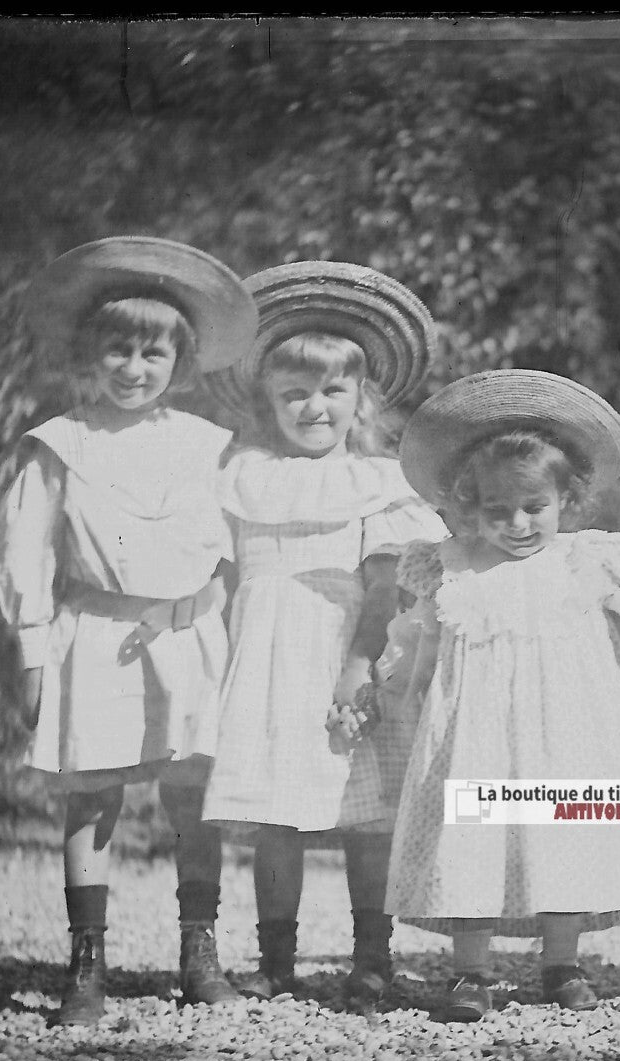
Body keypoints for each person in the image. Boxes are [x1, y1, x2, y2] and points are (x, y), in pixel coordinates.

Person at [383, 370, 620, 1021]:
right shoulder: (452, 565)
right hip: (479, 732)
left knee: (565, 830)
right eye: (497, 511)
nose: (517, 524)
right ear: (468, 505)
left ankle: (562, 961)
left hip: (572, 727)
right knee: (473, 836)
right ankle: (469, 971)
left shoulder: (587, 559)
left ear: (566, 498)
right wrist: (390, 678)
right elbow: (413, 636)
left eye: (533, 507)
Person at [0, 236, 258, 1025]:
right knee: (92, 797)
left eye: (152, 352)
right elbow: (24, 553)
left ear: (178, 362)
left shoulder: (210, 446)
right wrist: (33, 655)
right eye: (119, 349)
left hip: (189, 639)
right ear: (92, 352)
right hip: (92, 637)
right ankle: (86, 964)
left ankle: (199, 951)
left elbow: (238, 551)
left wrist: (214, 606)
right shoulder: (59, 445)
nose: (134, 368)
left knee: (193, 796)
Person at [200, 262, 448, 1009]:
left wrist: (357, 668)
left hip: (346, 651)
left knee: (362, 816)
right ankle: (277, 963)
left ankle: (371, 957)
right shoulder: (243, 472)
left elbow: (381, 586)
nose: (315, 407)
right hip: (262, 658)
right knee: (278, 817)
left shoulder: (375, 478)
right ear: (267, 400)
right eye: (295, 393)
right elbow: (215, 575)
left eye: (333, 391)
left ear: (359, 398)